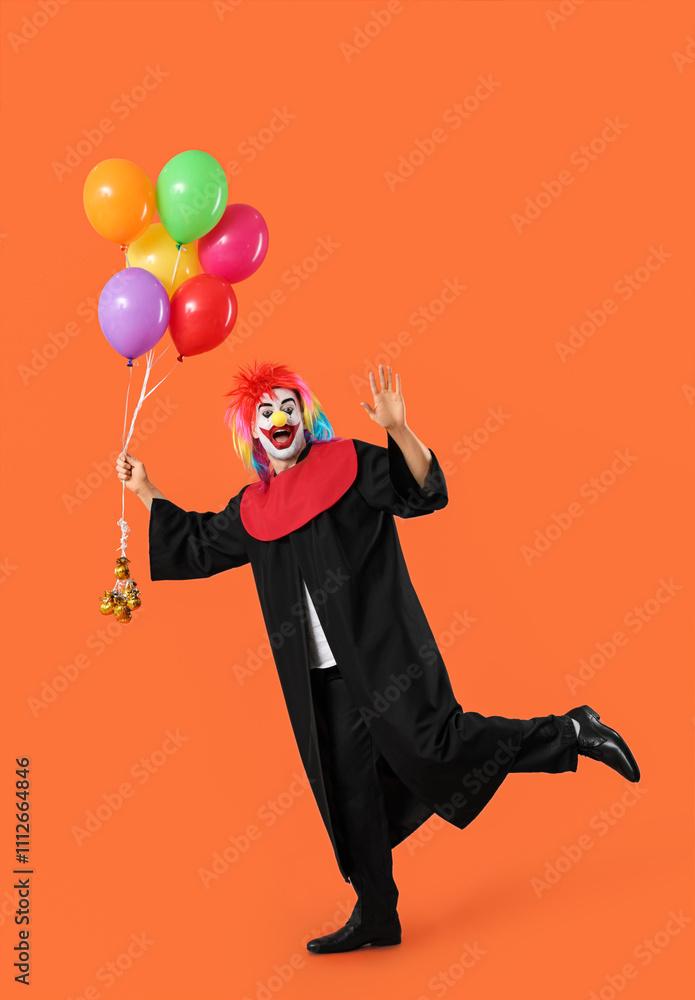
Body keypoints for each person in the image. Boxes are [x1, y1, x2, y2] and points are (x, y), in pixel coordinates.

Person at [116, 360, 640, 955]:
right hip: (322, 682)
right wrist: (146, 491)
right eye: (265, 412)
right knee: (349, 791)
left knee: (439, 746)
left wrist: (399, 430)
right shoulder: (253, 510)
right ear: (251, 432)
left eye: (288, 405)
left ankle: (573, 731)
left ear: (305, 416)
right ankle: (376, 915)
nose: (278, 418)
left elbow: (420, 492)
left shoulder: (349, 466)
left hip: (386, 657)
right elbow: (200, 543)